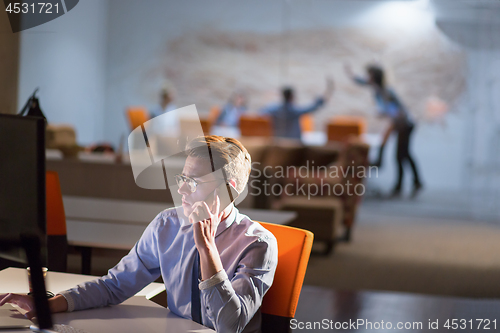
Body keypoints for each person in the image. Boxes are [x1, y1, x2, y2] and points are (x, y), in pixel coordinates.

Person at [0, 135, 278, 333]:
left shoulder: (258, 245)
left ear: (228, 189)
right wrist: (47, 305)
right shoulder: (167, 224)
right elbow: (114, 285)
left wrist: (207, 249)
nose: (181, 190)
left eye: (193, 182)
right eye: (182, 179)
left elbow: (230, 326)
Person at [345, 64, 422, 197]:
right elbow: (363, 82)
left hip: (405, 124)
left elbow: (396, 110)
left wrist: (385, 113)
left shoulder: (384, 91)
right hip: (399, 124)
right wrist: (351, 75)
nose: (366, 77)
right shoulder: (378, 89)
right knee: (404, 155)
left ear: (374, 76)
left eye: (369, 74)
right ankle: (414, 183)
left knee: (401, 156)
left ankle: (404, 186)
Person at [261, 78, 334, 140]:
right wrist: (320, 101)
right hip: (293, 142)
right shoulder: (294, 111)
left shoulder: (273, 109)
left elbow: (260, 113)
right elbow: (311, 108)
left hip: (278, 140)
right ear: (292, 96)